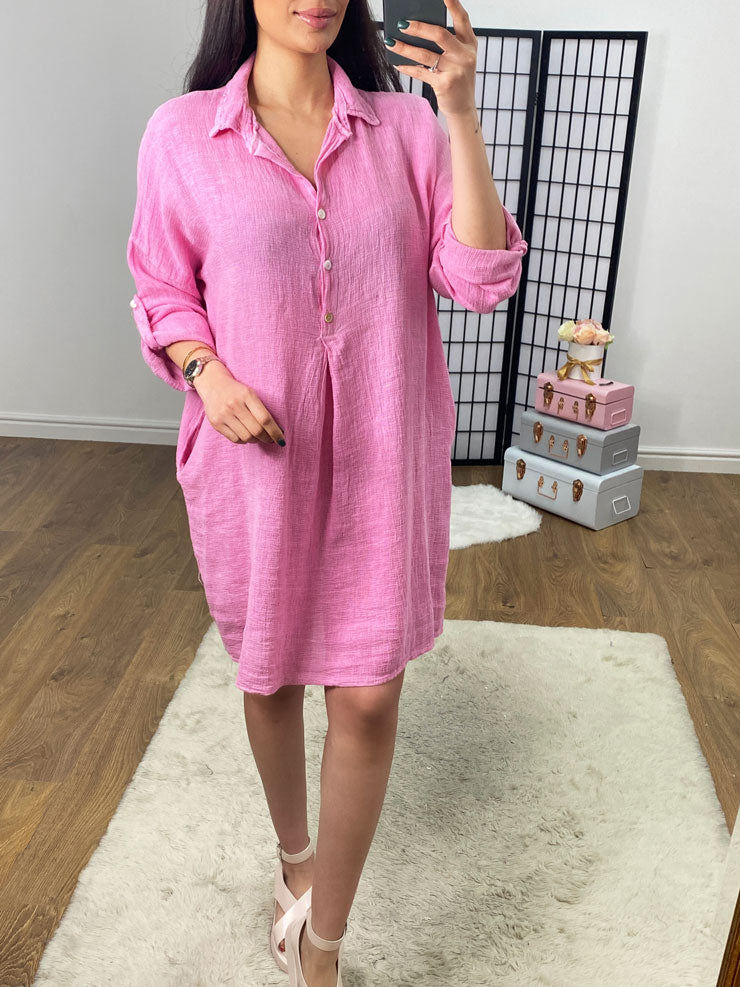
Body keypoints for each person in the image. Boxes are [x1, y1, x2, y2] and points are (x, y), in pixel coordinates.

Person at [126, 0, 528, 982]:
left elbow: (480, 277)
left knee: (369, 697)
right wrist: (207, 375)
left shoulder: (407, 129)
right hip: (256, 460)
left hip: (384, 460)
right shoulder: (183, 134)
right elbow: (163, 288)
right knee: (271, 675)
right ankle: (293, 856)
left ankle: (324, 946)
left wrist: (459, 109)